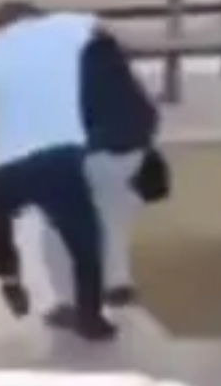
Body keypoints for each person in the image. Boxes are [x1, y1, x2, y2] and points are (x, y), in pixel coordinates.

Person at [0, 1, 114, 341]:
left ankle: (10, 279)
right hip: (59, 156)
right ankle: (91, 314)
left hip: (10, 161)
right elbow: (101, 28)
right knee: (84, 238)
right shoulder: (62, 36)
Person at [39, 17, 163, 317]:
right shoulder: (105, 52)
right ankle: (117, 283)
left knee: (58, 224)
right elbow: (143, 109)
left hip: (91, 148)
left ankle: (69, 301)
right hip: (131, 145)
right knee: (114, 211)